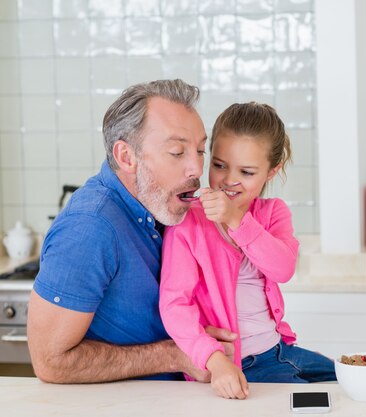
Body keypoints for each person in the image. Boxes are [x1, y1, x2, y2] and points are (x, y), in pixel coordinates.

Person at [27, 79, 237, 383]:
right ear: (127, 158)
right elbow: (50, 362)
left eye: (201, 150)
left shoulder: (161, 204)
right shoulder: (90, 228)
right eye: (178, 152)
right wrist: (176, 355)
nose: (196, 169)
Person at [159, 102, 337, 400]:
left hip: (279, 350)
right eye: (219, 165)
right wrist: (215, 362)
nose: (229, 179)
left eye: (247, 171)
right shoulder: (189, 221)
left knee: (349, 379)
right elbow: (174, 305)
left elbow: (283, 268)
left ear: (271, 171)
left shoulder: (272, 214)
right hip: (238, 364)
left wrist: (236, 219)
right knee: (316, 405)